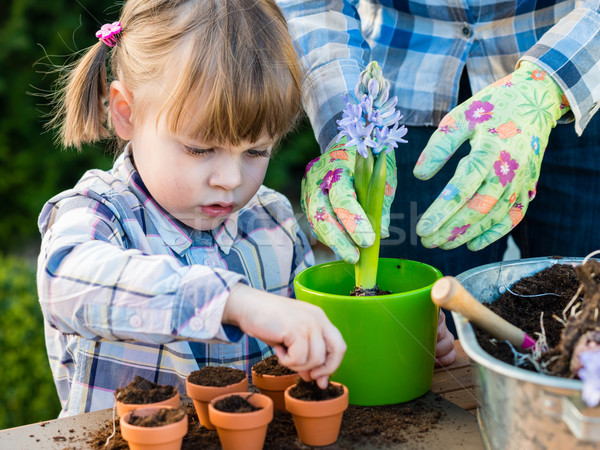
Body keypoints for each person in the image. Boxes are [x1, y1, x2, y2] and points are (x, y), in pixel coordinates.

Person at [37, 0, 347, 417]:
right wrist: (235, 302)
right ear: (126, 114)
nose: (231, 179)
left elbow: (308, 338)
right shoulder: (100, 213)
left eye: (256, 150)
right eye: (201, 149)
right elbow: (63, 280)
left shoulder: (272, 221)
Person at [279, 0, 600, 346]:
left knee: (581, 311)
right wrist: (346, 126)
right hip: (410, 100)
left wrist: (543, 87)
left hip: (574, 85)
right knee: (425, 338)